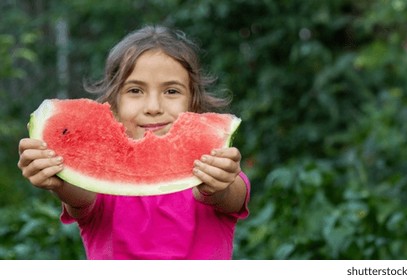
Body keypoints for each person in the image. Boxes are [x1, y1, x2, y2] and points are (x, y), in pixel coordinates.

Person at [16, 25, 250, 259]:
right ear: (113, 106)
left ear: (194, 103)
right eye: (135, 90)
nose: (153, 108)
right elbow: (79, 196)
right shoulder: (100, 180)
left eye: (171, 91)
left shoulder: (218, 167)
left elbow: (230, 196)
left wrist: (217, 187)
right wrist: (59, 177)